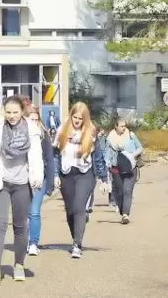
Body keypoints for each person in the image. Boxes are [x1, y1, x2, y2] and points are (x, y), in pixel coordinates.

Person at [0, 95, 44, 285]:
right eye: (8, 112)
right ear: (3, 112)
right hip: (1, 183)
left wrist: (37, 177)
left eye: (15, 112)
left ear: (22, 112)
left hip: (23, 183)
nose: (12, 116)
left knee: (20, 226)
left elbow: (37, 156)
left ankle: (19, 265)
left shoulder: (32, 129)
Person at [53, 102, 109, 259]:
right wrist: (55, 175)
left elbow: (98, 158)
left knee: (79, 207)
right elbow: (56, 155)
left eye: (80, 118)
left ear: (85, 119)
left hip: (85, 174)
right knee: (71, 211)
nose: (77, 121)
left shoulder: (91, 132)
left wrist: (104, 179)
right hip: (66, 173)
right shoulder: (62, 130)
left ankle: (77, 244)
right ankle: (76, 235)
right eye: (75, 117)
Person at [24, 104, 56, 256]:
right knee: (24, 212)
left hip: (40, 178)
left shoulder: (44, 135)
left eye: (36, 119)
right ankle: (23, 240)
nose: (34, 123)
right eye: (31, 119)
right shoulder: (19, 135)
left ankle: (33, 243)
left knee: (34, 211)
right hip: (22, 177)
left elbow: (50, 159)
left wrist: (50, 181)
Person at [105, 118, 143, 224]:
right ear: (116, 126)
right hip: (116, 167)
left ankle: (125, 215)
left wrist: (131, 155)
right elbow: (107, 153)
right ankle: (123, 211)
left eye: (125, 126)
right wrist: (106, 164)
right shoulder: (110, 139)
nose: (123, 128)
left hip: (130, 167)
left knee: (127, 190)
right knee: (119, 191)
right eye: (121, 126)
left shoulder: (131, 135)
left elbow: (140, 148)